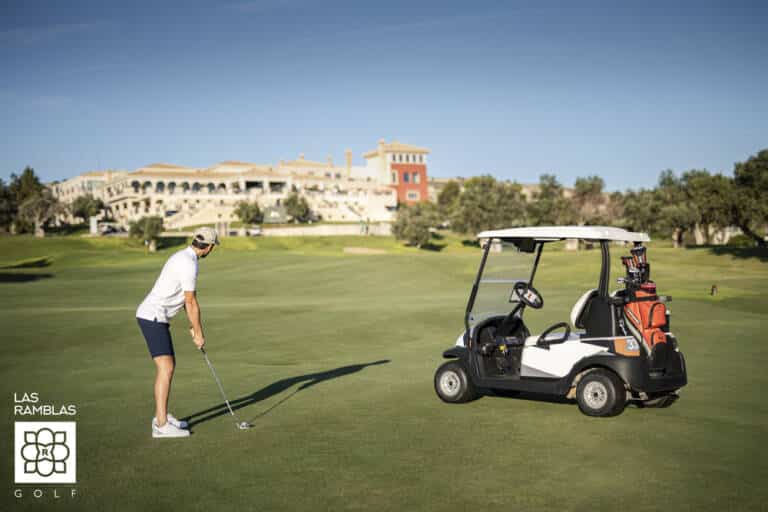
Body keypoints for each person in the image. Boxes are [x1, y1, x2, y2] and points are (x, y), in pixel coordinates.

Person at [136, 227, 219, 438]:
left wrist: (192, 325)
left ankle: (161, 417)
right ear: (208, 247)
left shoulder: (182, 256)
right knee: (167, 368)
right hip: (153, 316)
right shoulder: (189, 264)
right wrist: (199, 333)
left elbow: (183, 298)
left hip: (154, 315)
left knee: (167, 367)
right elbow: (191, 301)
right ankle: (161, 425)